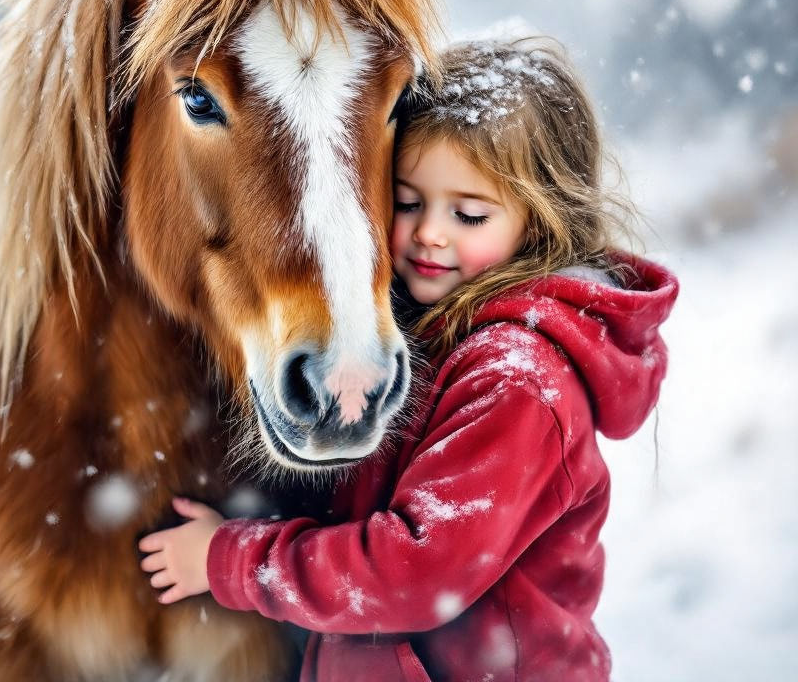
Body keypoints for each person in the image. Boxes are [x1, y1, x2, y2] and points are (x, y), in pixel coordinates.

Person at [138, 38, 678, 682]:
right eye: (408, 202)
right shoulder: (429, 328)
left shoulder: (517, 382)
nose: (429, 233)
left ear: (538, 224)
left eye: (469, 214)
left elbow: (415, 574)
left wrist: (230, 561)